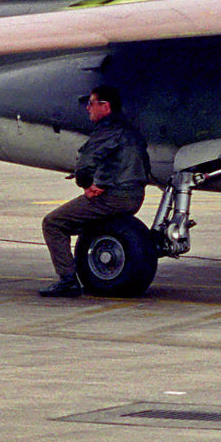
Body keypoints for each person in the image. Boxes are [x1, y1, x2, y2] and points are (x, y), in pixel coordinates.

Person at [39, 86, 151, 297]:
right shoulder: (131, 130)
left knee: (53, 223)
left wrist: (86, 184)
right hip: (135, 196)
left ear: (105, 106)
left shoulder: (108, 131)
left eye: (91, 103)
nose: (87, 108)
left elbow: (85, 164)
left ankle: (67, 280)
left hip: (112, 197)